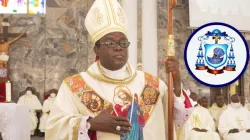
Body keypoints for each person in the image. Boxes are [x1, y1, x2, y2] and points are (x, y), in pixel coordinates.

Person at [45, 0, 187, 139]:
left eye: (123, 42)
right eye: (110, 42)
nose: (119, 47)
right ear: (97, 49)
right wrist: (90, 124)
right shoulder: (75, 87)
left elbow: (178, 120)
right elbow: (54, 129)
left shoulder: (152, 85)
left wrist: (176, 82)